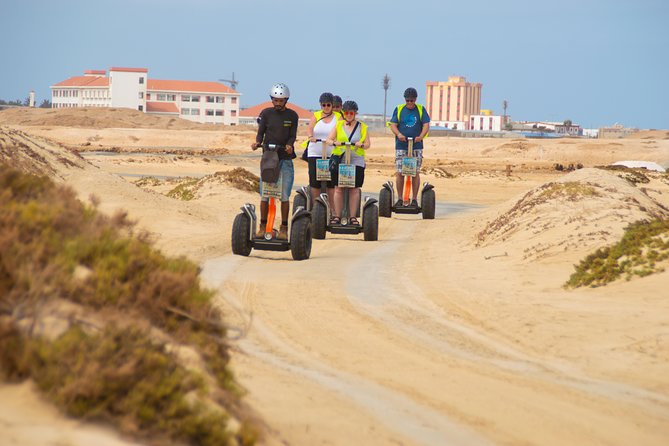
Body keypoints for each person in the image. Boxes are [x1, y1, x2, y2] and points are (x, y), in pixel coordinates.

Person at [251, 83, 299, 240]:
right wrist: (257, 143)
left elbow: (292, 135)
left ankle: (284, 228)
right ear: (271, 99)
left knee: (284, 195)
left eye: (281, 100)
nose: (278, 103)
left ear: (286, 100)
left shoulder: (292, 116)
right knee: (264, 195)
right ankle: (262, 226)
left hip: (284, 160)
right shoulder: (266, 114)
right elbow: (261, 133)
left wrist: (290, 145)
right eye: (275, 100)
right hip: (268, 159)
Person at [325, 100, 371, 225]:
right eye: (346, 113)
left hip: (356, 159)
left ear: (355, 113)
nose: (349, 115)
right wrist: (334, 142)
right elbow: (328, 139)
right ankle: (337, 216)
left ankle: (352, 217)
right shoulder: (339, 126)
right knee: (338, 188)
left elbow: (368, 144)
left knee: (354, 189)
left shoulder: (362, 127)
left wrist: (362, 145)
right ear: (344, 113)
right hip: (341, 158)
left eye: (351, 113)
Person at [389, 87, 430, 207]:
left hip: (416, 145)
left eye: (412, 100)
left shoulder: (421, 109)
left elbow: (426, 125)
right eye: (408, 100)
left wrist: (421, 136)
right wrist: (399, 134)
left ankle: (414, 199)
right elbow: (393, 125)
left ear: (415, 99)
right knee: (400, 172)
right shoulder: (399, 109)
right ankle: (400, 198)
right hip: (401, 145)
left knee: (415, 172)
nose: (410, 103)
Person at [305, 92, 339, 206]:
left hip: (331, 152)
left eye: (328, 105)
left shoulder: (338, 117)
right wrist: (311, 137)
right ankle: (316, 207)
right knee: (315, 182)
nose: (326, 107)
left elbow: (342, 129)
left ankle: (332, 209)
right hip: (315, 151)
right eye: (323, 105)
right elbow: (310, 127)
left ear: (332, 105)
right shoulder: (317, 115)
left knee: (331, 182)